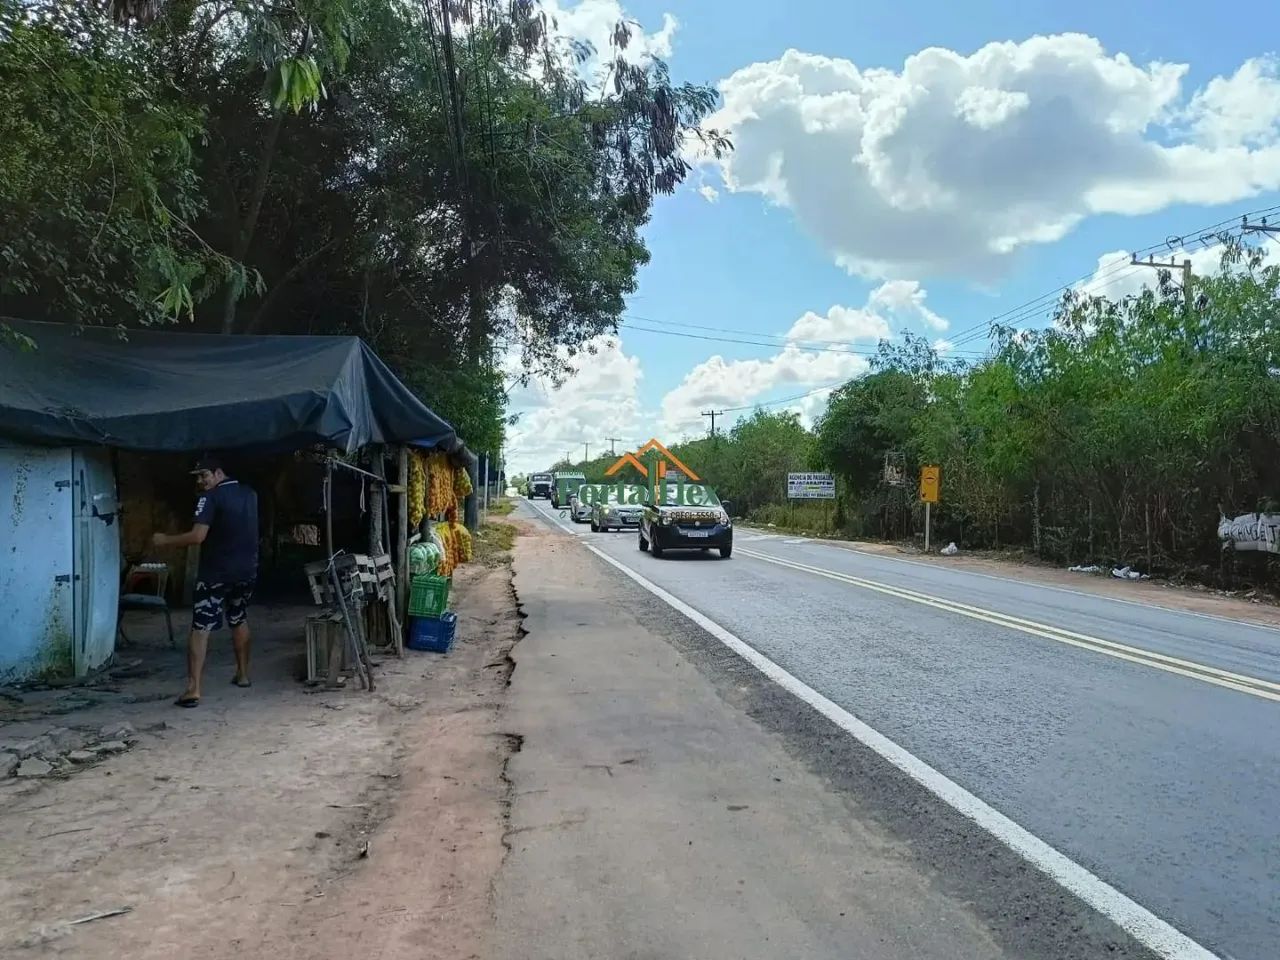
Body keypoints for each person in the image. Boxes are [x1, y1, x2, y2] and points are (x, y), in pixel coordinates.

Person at [153, 455, 259, 708]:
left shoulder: (209, 498)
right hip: (247, 570)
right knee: (239, 617)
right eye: (198, 477)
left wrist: (165, 540)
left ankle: (193, 689)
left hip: (216, 573)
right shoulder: (250, 494)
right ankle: (243, 675)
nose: (200, 481)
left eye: (204, 475)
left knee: (201, 626)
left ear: (219, 473)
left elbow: (198, 536)